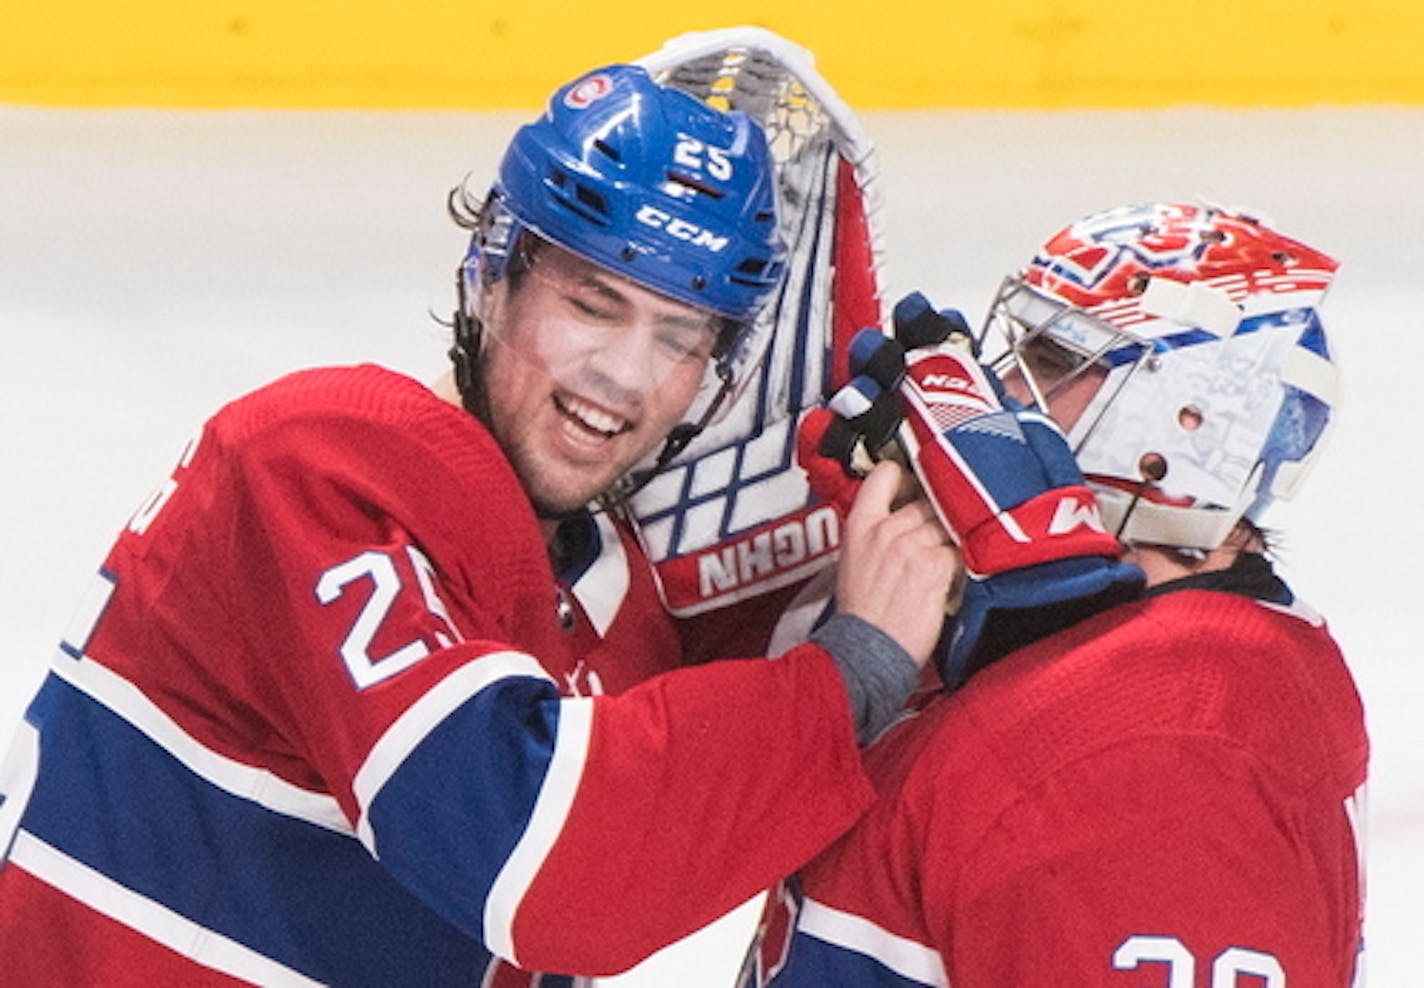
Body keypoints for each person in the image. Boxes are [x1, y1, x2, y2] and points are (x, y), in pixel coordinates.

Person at [0, 63, 957, 985]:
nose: (622, 378)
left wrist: (895, 516)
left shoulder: (613, 592)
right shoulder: (318, 465)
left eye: (679, 336)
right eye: (593, 303)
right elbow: (536, 866)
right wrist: (854, 665)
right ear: (493, 272)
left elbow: (720, 760)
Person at [741, 202, 1368, 987]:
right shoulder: (1094, 653)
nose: (999, 388)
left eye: (1051, 356)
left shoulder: (1167, 754)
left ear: (1186, 425)